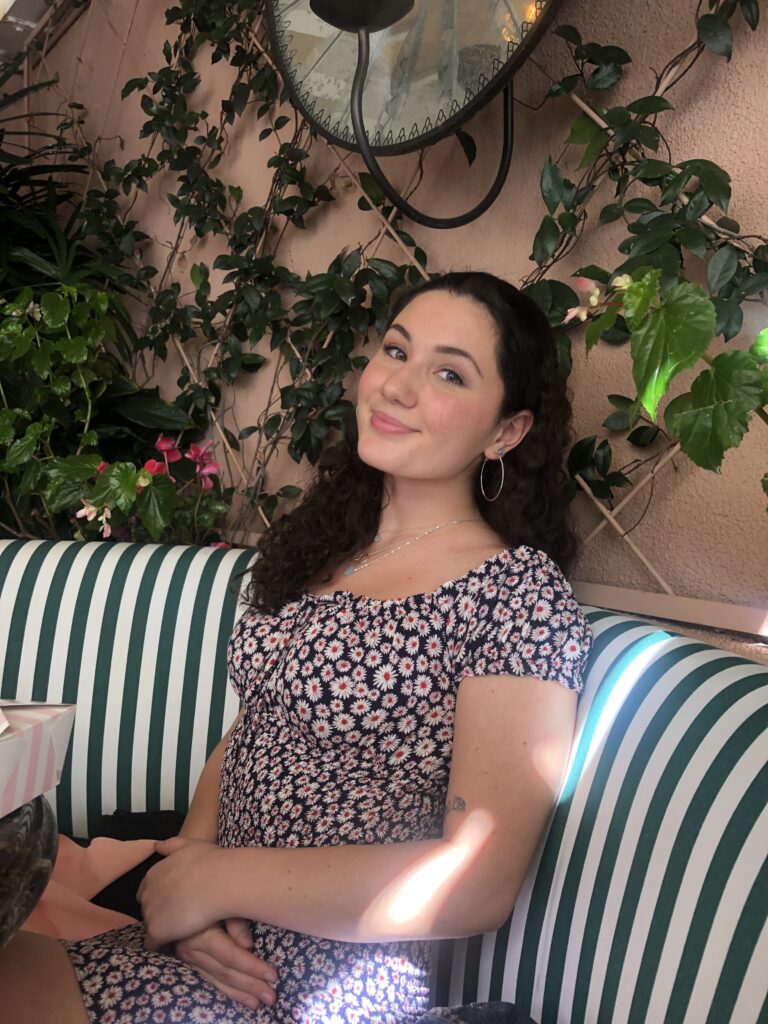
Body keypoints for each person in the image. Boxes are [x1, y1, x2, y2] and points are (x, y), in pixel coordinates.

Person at [1, 271, 592, 1023]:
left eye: (448, 372)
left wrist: (218, 884)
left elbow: (477, 884)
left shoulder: (514, 591)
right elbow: (255, 729)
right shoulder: (323, 550)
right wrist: (190, 885)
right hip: (216, 940)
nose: (397, 386)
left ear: (506, 430)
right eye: (394, 351)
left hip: (317, 982)